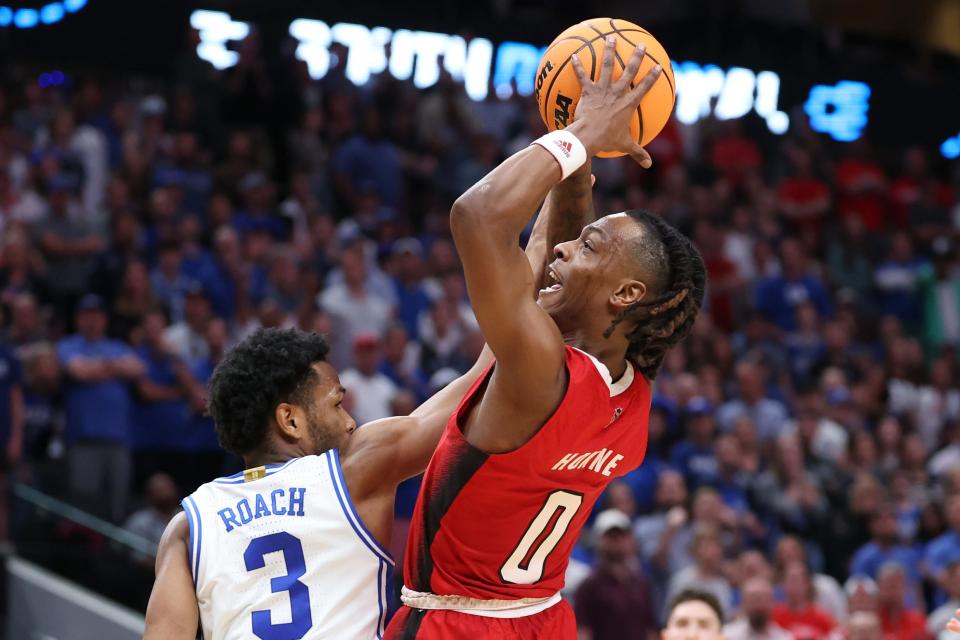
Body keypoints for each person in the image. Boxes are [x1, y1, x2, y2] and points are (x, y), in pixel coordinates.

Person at [143, 166, 565, 639]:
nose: (348, 422)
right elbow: (491, 367)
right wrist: (557, 200)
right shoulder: (354, 470)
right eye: (335, 404)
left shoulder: (187, 526)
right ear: (290, 420)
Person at [387, 40, 704, 638]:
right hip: (543, 619)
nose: (562, 247)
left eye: (588, 248)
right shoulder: (632, 388)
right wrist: (577, 175)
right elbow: (562, 286)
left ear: (628, 296)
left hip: (459, 625)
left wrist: (577, 133)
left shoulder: (539, 372)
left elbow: (476, 217)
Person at [574, 509, 657, 640]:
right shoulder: (588, 587)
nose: (616, 541)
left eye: (621, 536)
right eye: (610, 536)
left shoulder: (641, 583)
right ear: (598, 540)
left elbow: (649, 628)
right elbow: (583, 632)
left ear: (630, 540)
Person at [723, 578, 792, 640]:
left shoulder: (784, 637)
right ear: (743, 604)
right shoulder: (727, 635)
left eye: (763, 600)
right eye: (753, 600)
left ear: (772, 603)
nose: (758, 606)